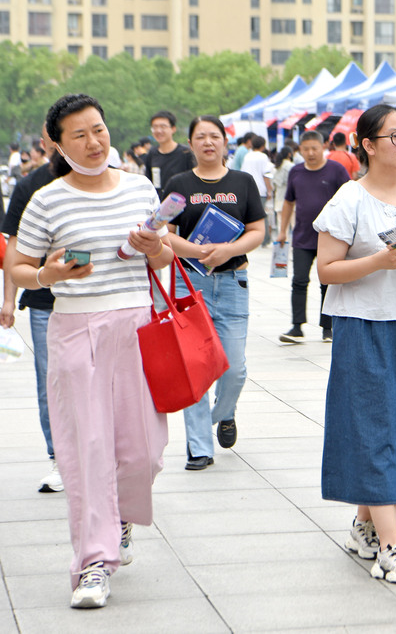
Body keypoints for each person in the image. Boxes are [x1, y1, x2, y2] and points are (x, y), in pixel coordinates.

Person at [7, 94, 173, 609]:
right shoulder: (47, 198)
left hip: (137, 325)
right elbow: (18, 266)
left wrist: (155, 248)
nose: (93, 142)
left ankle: (120, 517)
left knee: (143, 451)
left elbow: (164, 255)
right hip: (76, 328)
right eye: (78, 135)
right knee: (88, 448)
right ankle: (92, 563)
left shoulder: (141, 187)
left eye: (98, 130)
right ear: (57, 144)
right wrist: (47, 275)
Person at [313, 104, 396, 584]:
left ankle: (365, 525)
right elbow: (326, 270)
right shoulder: (349, 199)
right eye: (394, 136)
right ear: (368, 145)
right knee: (375, 424)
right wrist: (378, 262)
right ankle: (391, 548)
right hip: (366, 323)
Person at [163, 117, 266, 471]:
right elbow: (164, 231)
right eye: (200, 137)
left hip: (233, 283)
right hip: (189, 284)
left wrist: (228, 249)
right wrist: (195, 252)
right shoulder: (179, 185)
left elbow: (258, 230)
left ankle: (223, 412)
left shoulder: (242, 182)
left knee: (233, 368)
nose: (208, 142)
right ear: (190, 144)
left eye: (214, 136)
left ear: (225, 142)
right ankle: (199, 447)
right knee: (194, 367)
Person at [1, 125, 60, 492]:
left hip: (99, 301)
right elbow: (14, 253)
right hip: (44, 302)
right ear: (47, 143)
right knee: (50, 381)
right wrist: (8, 301)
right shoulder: (28, 187)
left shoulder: (110, 183)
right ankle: (59, 458)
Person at [278, 131, 350, 344]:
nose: (310, 153)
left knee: (327, 282)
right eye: (306, 149)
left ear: (324, 147)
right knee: (299, 280)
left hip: (331, 238)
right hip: (302, 236)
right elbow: (288, 202)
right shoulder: (295, 172)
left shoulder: (336, 170)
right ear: (300, 150)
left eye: (314, 148)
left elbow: (350, 200)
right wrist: (282, 230)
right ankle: (297, 327)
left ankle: (327, 328)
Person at [143, 110, 196, 199]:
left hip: (181, 203)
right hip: (159, 205)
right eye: (155, 127)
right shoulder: (152, 154)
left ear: (173, 129)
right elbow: (149, 182)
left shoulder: (185, 153)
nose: (158, 131)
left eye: (163, 127)